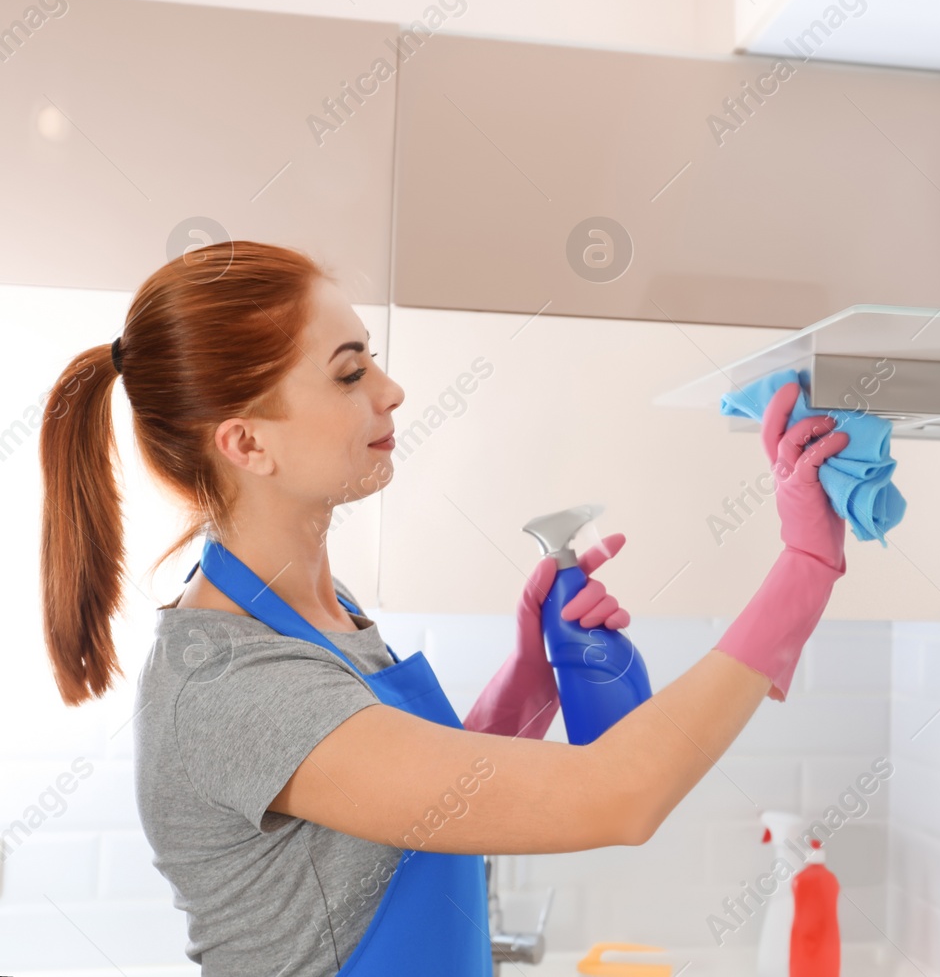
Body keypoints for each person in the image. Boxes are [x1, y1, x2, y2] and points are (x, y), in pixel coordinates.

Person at [37, 241, 850, 976]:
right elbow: (620, 795)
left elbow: (420, 817)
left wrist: (531, 676)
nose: (391, 391)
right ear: (247, 443)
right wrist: (808, 565)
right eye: (350, 373)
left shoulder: (319, 610)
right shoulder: (234, 684)